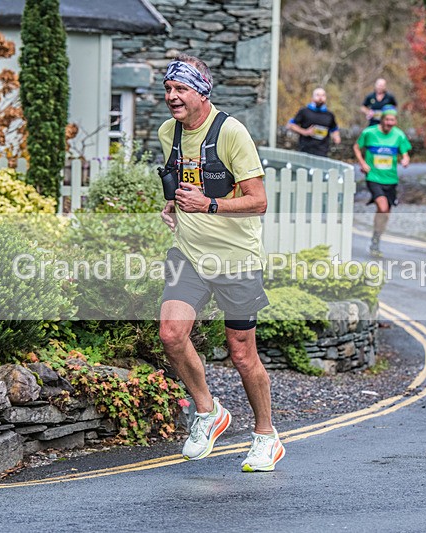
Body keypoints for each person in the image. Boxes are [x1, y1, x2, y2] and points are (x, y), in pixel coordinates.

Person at [158, 54, 285, 472]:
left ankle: (266, 436)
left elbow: (258, 201)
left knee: (242, 353)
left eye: (181, 89)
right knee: (171, 334)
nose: (172, 96)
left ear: (201, 92)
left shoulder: (231, 133)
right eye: (168, 89)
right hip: (189, 254)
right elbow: (182, 185)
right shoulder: (168, 132)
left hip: (236, 259)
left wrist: (209, 205)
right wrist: (172, 206)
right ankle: (208, 411)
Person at [353, 105, 411, 256]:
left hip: (390, 179)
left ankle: (376, 238)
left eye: (393, 120)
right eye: (387, 120)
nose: (390, 123)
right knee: (383, 207)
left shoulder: (399, 135)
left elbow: (405, 153)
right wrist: (362, 163)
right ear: (382, 119)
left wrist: (405, 159)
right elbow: (357, 147)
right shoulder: (369, 133)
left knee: (385, 214)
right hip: (373, 177)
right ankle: (375, 240)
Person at [287, 87, 341, 157]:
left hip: (322, 152)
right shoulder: (305, 111)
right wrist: (305, 132)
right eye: (317, 95)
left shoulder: (329, 115)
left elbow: (334, 129)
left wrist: (336, 136)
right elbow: (290, 125)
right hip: (305, 150)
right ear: (312, 98)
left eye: (323, 95)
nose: (320, 98)